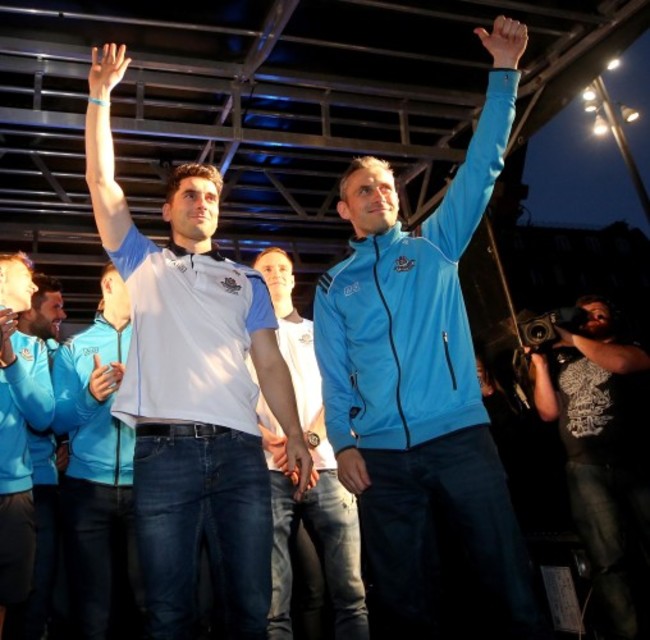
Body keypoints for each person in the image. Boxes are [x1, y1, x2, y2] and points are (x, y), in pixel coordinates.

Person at [313, 16, 554, 639]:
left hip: (459, 441)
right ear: (345, 209)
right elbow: (333, 375)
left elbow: (482, 167)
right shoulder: (335, 286)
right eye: (363, 190)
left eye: (385, 187)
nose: (378, 195)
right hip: (383, 457)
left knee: (507, 579)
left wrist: (504, 73)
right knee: (403, 600)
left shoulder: (434, 248)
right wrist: (344, 443)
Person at [84, 43, 312, 640]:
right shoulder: (142, 263)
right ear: (167, 210)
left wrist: (295, 435)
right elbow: (101, 181)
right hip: (163, 457)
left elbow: (270, 363)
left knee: (250, 608)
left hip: (241, 456)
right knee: (168, 613)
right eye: (190, 194)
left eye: (211, 197)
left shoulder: (246, 281)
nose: (202, 203)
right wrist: (100, 96)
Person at [252, 247, 369, 640]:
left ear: (293, 277)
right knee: (274, 599)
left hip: (328, 467)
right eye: (266, 268)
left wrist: (309, 440)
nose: (275, 274)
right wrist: (278, 447)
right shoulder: (241, 337)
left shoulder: (320, 331)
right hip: (270, 469)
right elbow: (237, 397)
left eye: (282, 267)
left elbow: (340, 391)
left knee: (350, 592)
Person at [528, 294, 650, 640]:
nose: (593, 318)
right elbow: (548, 412)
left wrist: (571, 337)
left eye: (600, 313)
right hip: (585, 469)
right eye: (586, 314)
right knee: (608, 563)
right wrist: (540, 364)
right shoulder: (564, 358)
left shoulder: (630, 345)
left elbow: (624, 364)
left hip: (634, 461)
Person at [51, 262, 143, 640]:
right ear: (108, 284)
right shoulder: (76, 346)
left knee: (150, 603)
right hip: (86, 488)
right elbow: (56, 420)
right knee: (92, 607)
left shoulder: (158, 341)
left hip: (147, 486)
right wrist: (91, 396)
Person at [0, 254, 55, 640]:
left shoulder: (31, 348)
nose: (33, 287)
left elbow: (43, 415)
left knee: (15, 598)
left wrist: (8, 357)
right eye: (26, 277)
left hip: (15, 491)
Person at [15, 273, 69, 640]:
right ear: (29, 310)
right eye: (55, 306)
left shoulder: (48, 353)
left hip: (44, 486)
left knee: (40, 585)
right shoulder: (21, 349)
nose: (63, 314)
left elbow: (49, 415)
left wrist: (65, 443)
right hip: (14, 487)